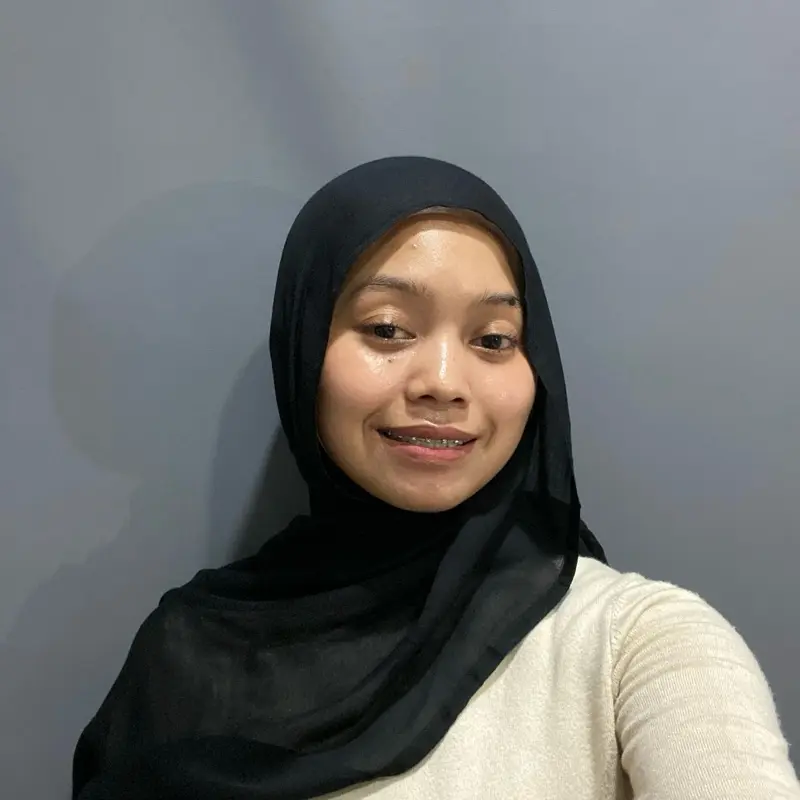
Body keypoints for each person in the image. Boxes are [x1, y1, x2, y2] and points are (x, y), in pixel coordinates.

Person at [71, 156, 800, 799]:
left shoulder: (635, 644)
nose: (444, 383)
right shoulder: (187, 653)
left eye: (493, 339)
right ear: (303, 349)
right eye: (387, 328)